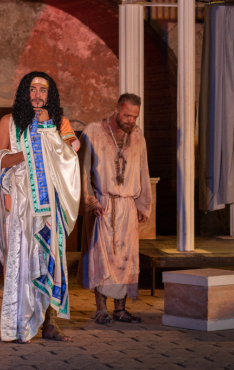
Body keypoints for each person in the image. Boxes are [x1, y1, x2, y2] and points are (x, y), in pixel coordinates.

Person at [0, 72, 81, 343]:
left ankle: (50, 324)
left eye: (43, 90)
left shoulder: (59, 123)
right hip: (19, 209)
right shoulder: (8, 122)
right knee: (22, 266)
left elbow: (70, 156)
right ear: (24, 93)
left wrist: (49, 129)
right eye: (32, 89)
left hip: (50, 207)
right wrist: (27, 155)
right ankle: (20, 326)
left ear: (49, 95)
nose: (37, 95)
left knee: (50, 263)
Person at [78, 93, 152, 326]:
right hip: (103, 204)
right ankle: (101, 310)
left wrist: (142, 204)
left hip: (127, 205)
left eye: (135, 116)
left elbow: (143, 169)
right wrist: (91, 200)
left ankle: (120, 309)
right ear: (117, 110)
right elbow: (82, 170)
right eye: (127, 115)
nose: (131, 120)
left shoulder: (137, 135)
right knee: (102, 258)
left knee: (125, 259)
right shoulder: (93, 132)